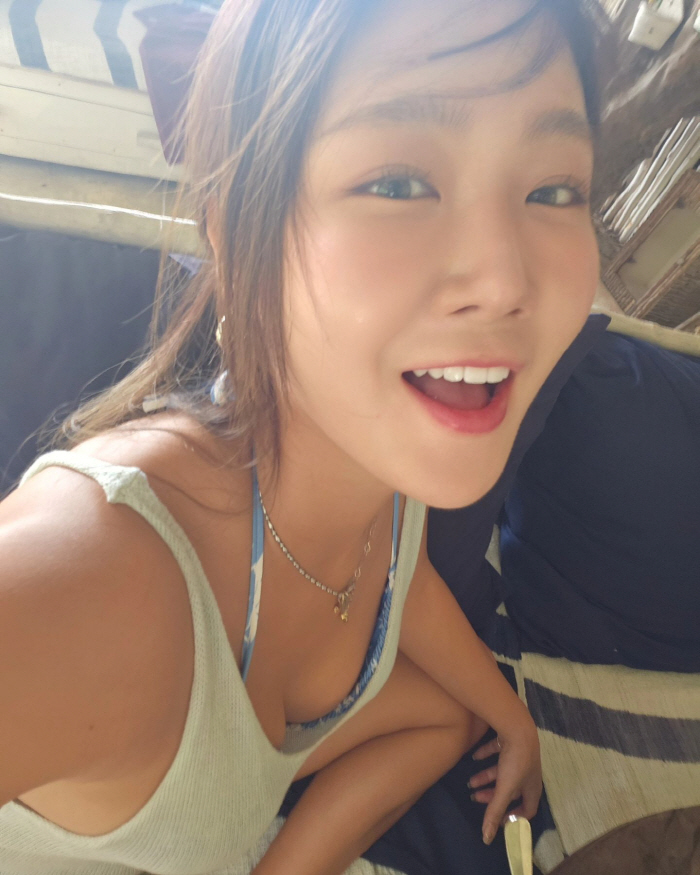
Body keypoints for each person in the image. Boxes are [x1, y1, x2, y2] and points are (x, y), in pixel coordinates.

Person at [0, 0, 601, 872]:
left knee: (446, 716)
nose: (508, 281)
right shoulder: (91, 582)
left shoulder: (379, 449)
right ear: (236, 233)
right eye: (398, 183)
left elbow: (398, 575)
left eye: (554, 189)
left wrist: (513, 719)